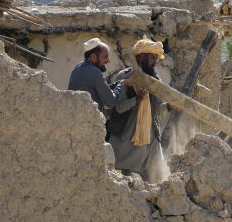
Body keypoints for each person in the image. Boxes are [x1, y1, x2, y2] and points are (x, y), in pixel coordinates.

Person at [108, 38, 168, 181]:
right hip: (128, 139)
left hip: (150, 138)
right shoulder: (125, 76)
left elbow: (157, 110)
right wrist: (137, 99)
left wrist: (169, 107)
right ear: (141, 57)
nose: (155, 62)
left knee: (157, 178)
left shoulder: (155, 80)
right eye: (152, 58)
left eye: (156, 58)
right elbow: (119, 107)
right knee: (123, 179)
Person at [66, 37, 120, 114]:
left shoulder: (78, 68)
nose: (108, 61)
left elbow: (103, 90)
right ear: (94, 57)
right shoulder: (94, 72)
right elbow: (111, 101)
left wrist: (118, 83)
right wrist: (122, 86)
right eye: (105, 57)